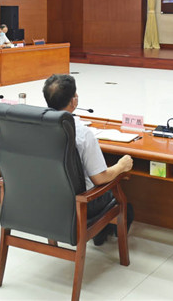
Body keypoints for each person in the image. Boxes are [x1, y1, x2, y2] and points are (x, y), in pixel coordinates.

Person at [43, 74, 133, 245]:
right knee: (126, 207)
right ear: (73, 101)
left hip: (45, 198)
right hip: (81, 203)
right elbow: (100, 178)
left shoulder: (38, 126)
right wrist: (121, 166)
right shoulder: (82, 133)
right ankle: (101, 232)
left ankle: (99, 231)